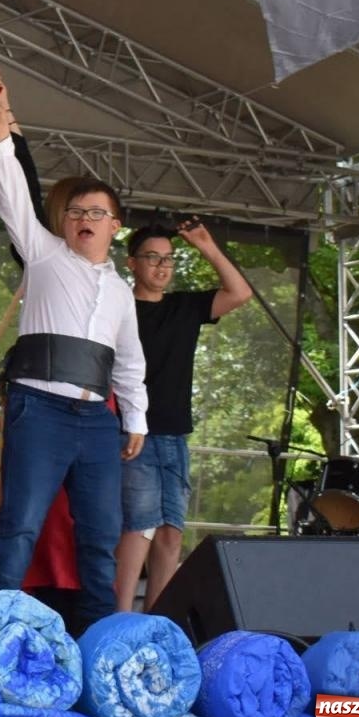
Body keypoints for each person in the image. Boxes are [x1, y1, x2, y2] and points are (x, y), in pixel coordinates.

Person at [0, 68, 147, 634]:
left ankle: (97, 642)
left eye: (96, 213)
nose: (84, 220)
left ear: (115, 227)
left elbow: (129, 361)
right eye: (76, 212)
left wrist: (137, 419)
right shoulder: (45, 256)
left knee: (101, 535)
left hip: (96, 419)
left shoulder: (123, 293)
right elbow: (15, 202)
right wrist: (2, 138)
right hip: (40, 408)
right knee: (20, 523)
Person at [113, 219, 252, 612]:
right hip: (131, 432)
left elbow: (239, 292)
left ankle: (158, 618)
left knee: (171, 533)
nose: (161, 266)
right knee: (138, 528)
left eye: (168, 259)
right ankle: (119, 616)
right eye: (152, 258)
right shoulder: (118, 306)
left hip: (175, 433)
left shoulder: (185, 306)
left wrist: (207, 246)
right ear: (132, 263)